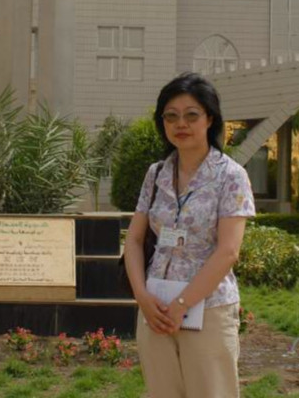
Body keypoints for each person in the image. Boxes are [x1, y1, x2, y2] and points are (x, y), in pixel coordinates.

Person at [124, 72, 255, 398]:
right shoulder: (156, 174)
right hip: (155, 308)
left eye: (191, 115)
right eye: (171, 116)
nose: (180, 124)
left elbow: (228, 251)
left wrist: (182, 304)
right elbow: (135, 239)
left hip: (208, 309)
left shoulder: (231, 176)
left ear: (210, 119)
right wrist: (142, 297)